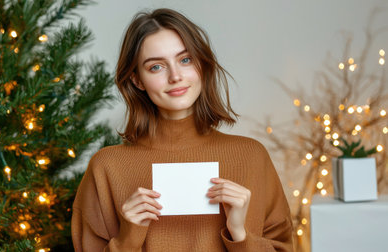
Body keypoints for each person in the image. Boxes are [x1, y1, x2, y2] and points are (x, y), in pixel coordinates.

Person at [71, 8, 294, 252]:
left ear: (202, 65)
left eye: (185, 60)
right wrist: (127, 240)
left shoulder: (251, 156)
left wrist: (240, 235)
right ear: (137, 80)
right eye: (156, 67)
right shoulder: (106, 167)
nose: (175, 76)